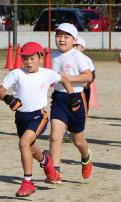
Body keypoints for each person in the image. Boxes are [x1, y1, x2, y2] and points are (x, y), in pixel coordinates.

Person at [0, 42, 77, 197]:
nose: (28, 62)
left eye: (32, 58)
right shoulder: (16, 73)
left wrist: (72, 97)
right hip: (21, 118)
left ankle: (28, 182)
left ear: (40, 57)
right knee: (31, 150)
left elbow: (65, 80)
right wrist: (7, 98)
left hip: (39, 116)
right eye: (25, 58)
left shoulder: (47, 73)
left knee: (23, 143)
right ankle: (47, 163)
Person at [49, 23, 93, 184]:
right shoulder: (53, 55)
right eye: (58, 36)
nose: (61, 40)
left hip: (76, 99)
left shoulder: (78, 56)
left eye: (66, 37)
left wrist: (66, 78)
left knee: (78, 140)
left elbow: (88, 76)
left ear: (73, 40)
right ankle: (55, 172)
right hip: (59, 99)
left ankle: (86, 157)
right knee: (55, 137)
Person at [63, 36, 96, 143]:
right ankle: (66, 132)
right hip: (66, 90)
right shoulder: (66, 57)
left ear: (83, 48)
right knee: (66, 110)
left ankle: (77, 132)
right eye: (74, 45)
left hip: (82, 90)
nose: (75, 47)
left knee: (81, 111)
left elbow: (92, 74)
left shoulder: (86, 59)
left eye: (78, 46)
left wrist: (88, 83)